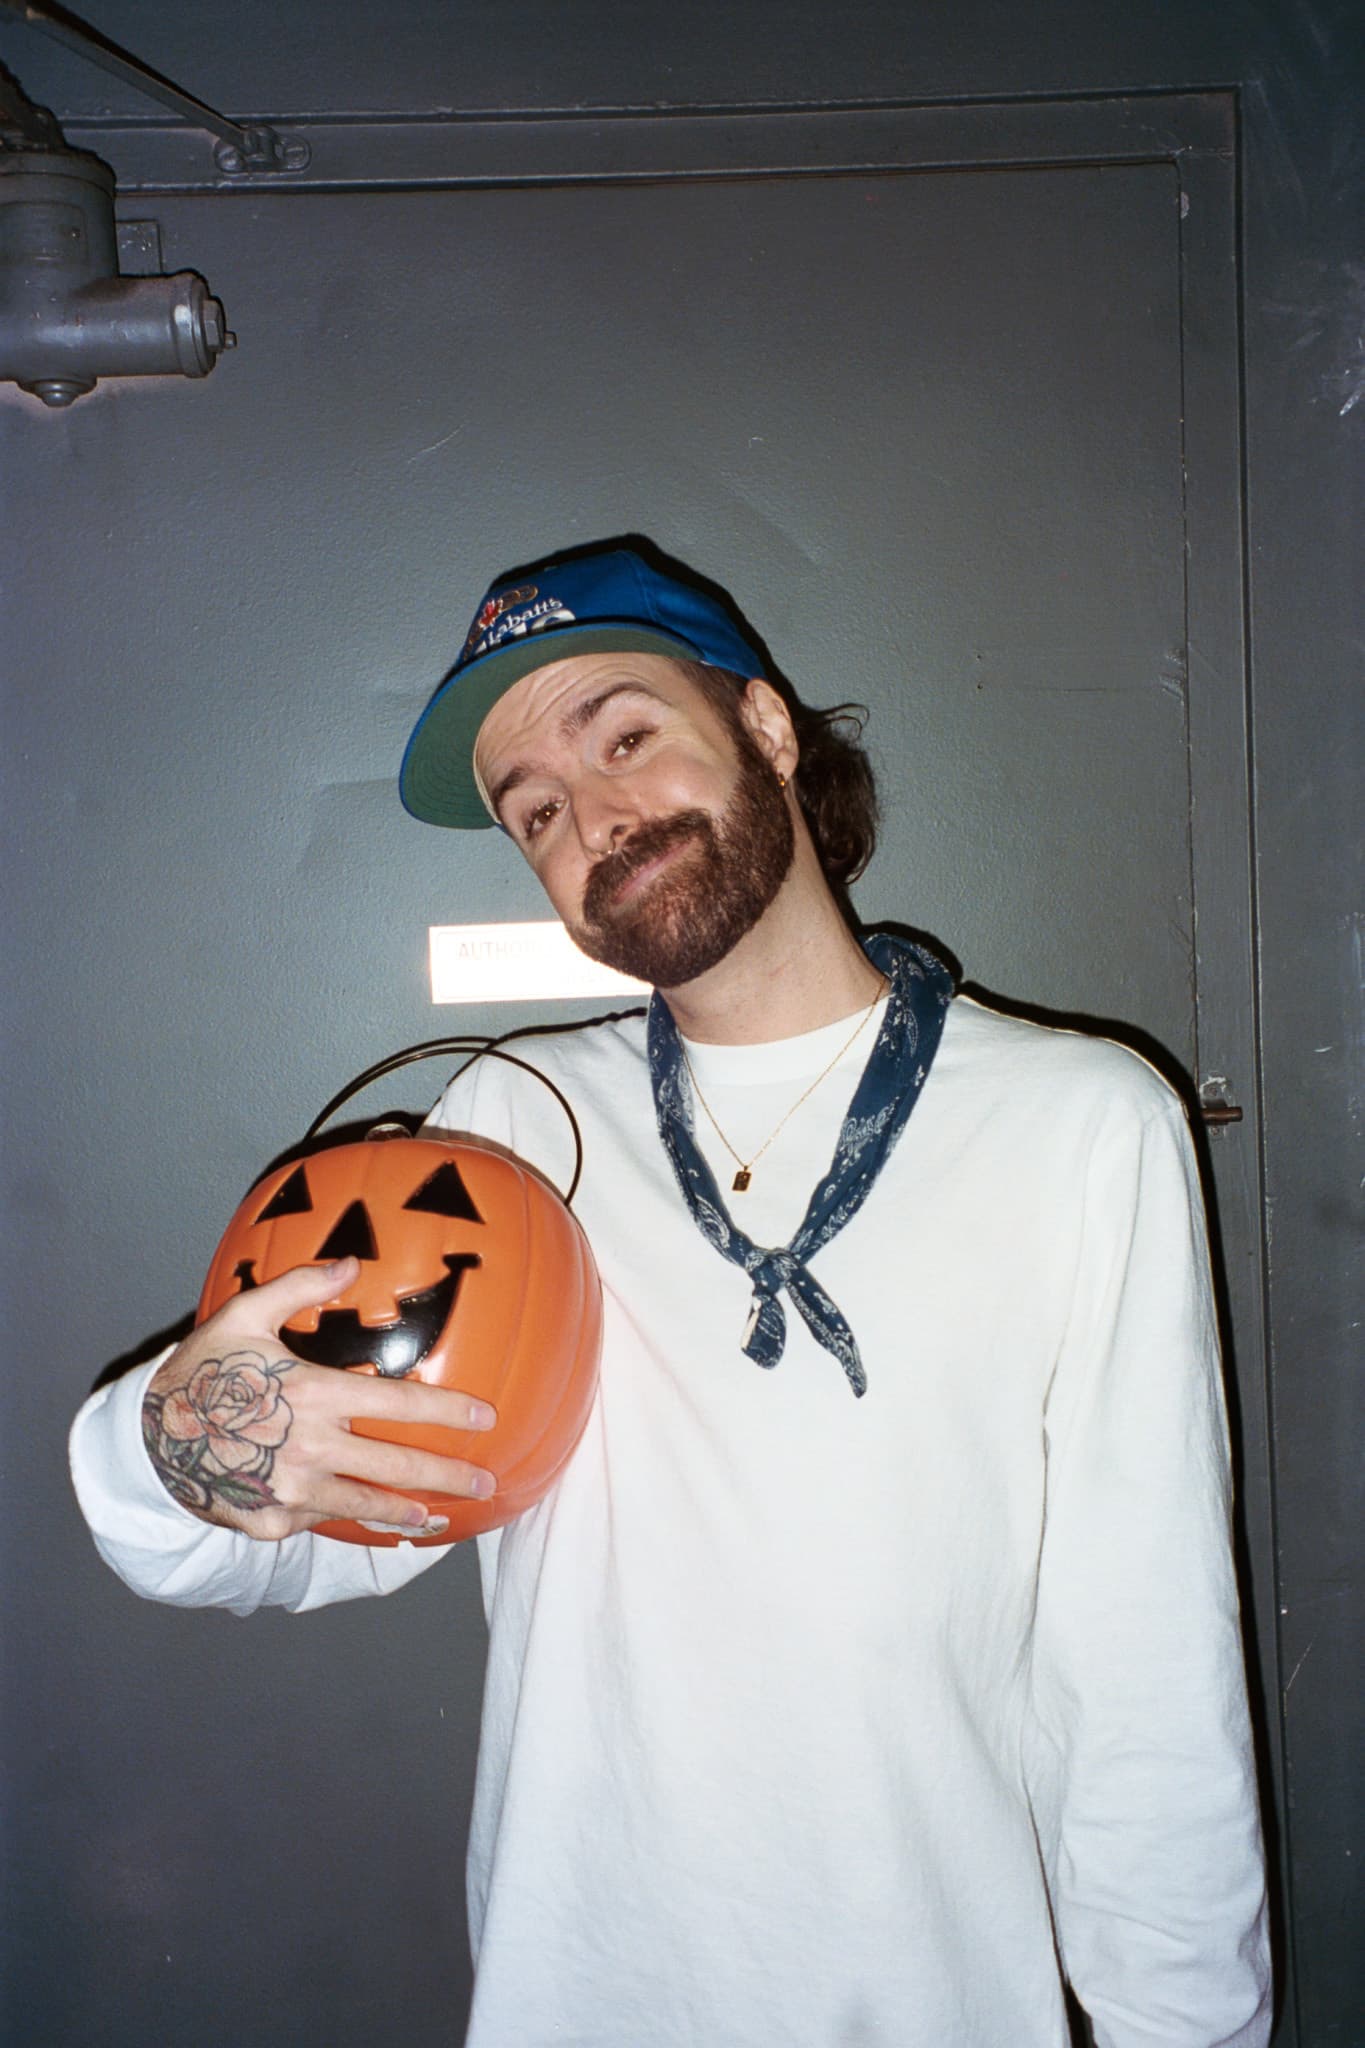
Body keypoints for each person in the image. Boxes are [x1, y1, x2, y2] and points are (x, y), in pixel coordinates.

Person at [71, 544, 1273, 2047]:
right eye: (534, 812)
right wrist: (176, 1438)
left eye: (625, 736)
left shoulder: (1082, 1123)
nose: (592, 819)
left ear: (764, 727)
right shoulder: (508, 1130)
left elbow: (1146, 1677)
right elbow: (279, 1537)